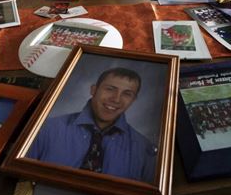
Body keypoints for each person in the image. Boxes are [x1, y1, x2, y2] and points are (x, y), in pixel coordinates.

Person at [27, 68, 157, 184]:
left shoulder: (143, 149)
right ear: (93, 90)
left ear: (133, 100)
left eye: (127, 94)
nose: (116, 99)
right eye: (110, 89)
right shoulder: (47, 128)